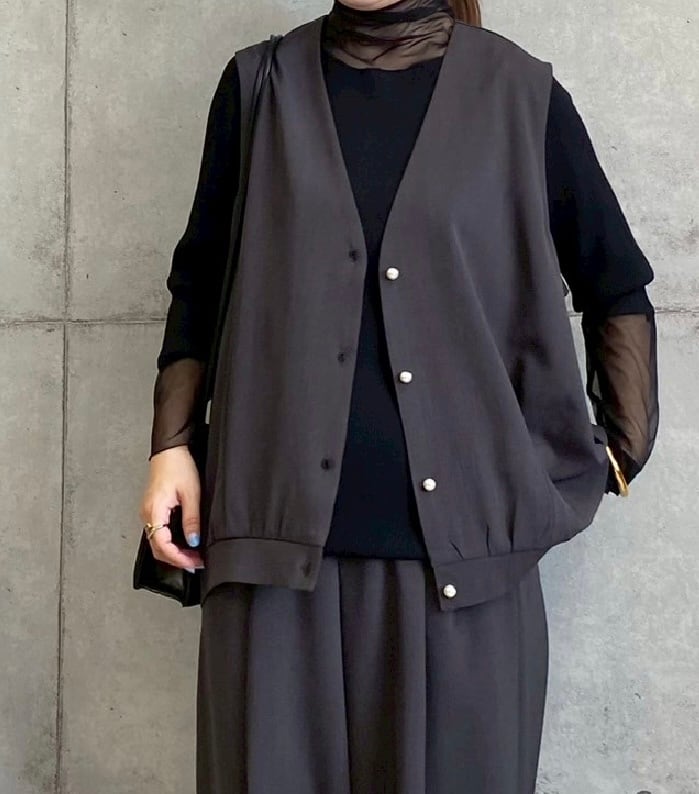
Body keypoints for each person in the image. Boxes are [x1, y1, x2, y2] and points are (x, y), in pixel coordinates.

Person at [138, 1, 659, 792]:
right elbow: (201, 283)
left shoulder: (519, 94)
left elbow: (614, 283)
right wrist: (172, 445)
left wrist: (611, 457)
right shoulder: (259, 87)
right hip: (274, 560)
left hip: (467, 580)